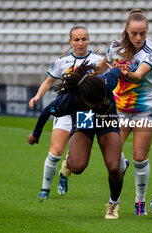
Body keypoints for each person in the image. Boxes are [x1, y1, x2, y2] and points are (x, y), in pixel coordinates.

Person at [65, 9, 152, 216]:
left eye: (142, 33)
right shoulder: (115, 47)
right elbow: (101, 67)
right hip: (119, 109)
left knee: (140, 158)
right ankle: (120, 167)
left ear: (147, 31)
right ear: (126, 30)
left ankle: (140, 202)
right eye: (134, 33)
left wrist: (127, 73)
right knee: (115, 161)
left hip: (145, 108)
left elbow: (137, 76)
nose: (138, 38)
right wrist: (86, 75)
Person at [27, 61, 130, 219]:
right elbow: (47, 110)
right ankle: (70, 161)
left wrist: (121, 69)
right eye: (96, 102)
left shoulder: (106, 82)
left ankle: (113, 204)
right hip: (84, 119)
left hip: (107, 120)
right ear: (83, 98)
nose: (101, 102)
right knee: (78, 167)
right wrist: (36, 134)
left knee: (114, 167)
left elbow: (116, 71)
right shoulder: (68, 100)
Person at [29, 26, 104, 200]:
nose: (80, 43)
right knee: (55, 152)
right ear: (70, 42)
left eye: (84, 39)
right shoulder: (63, 61)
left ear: (89, 40)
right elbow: (48, 82)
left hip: (85, 113)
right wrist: (38, 96)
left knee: (75, 156)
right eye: (76, 40)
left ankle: (63, 176)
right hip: (65, 112)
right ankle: (45, 188)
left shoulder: (98, 60)